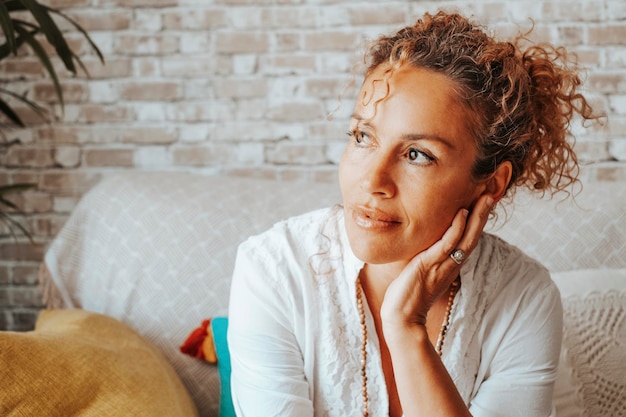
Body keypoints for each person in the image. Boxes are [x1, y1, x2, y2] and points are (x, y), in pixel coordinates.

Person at [227, 10, 599, 417]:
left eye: (417, 154)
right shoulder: (274, 269)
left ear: (491, 183)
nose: (373, 180)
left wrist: (406, 328)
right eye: (363, 136)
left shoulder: (522, 296)